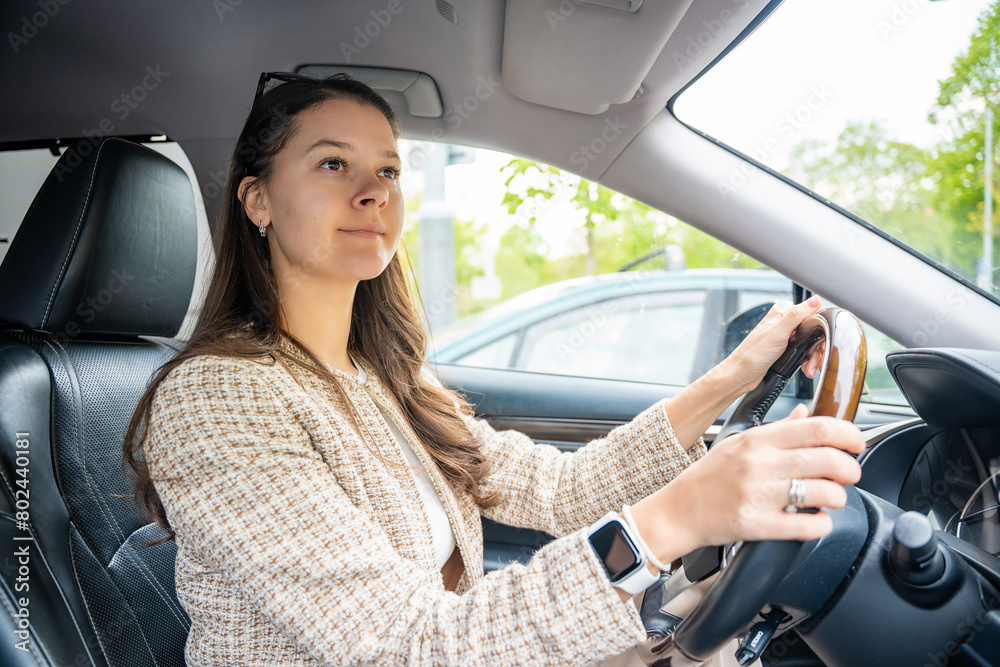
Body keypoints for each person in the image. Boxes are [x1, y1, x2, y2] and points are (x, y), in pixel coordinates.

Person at [123, 73, 864, 667]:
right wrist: (675, 518)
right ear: (257, 200)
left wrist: (735, 374)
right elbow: (401, 647)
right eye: (332, 164)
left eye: (387, 168)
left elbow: (563, 488)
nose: (373, 190)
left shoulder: (385, 379)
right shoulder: (217, 396)